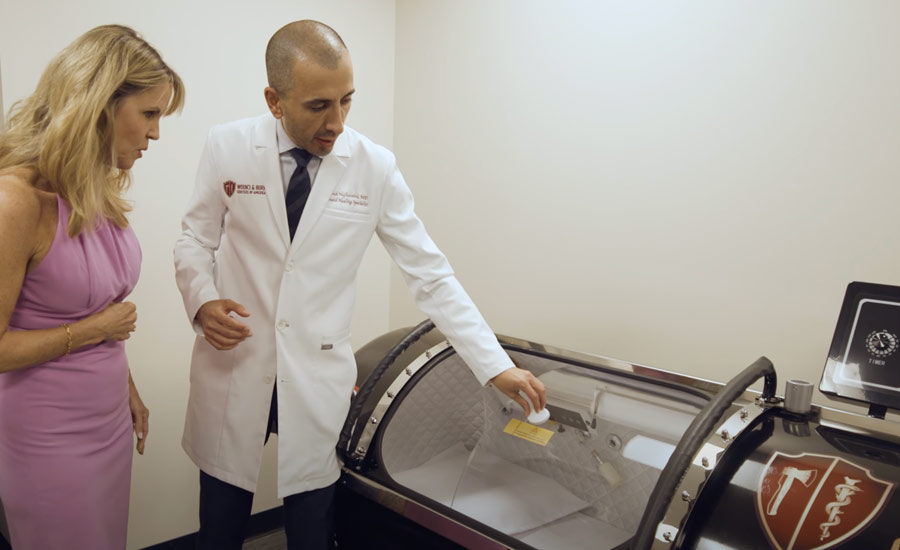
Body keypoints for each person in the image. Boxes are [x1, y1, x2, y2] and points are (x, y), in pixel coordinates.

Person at [173, 19, 546, 550]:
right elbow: (194, 239)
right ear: (274, 100)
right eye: (318, 105)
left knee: (311, 524)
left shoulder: (374, 168)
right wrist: (202, 301)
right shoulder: (228, 146)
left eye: (347, 100)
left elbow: (431, 275)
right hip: (237, 359)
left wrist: (496, 365)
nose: (337, 122)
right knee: (221, 521)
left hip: (314, 372)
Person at [0, 25, 184, 549]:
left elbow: (100, 305)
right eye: (149, 114)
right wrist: (92, 331)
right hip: (47, 434)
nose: (154, 134)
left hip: (105, 419)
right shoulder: (16, 201)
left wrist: (125, 388)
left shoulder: (94, 189)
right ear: (100, 104)